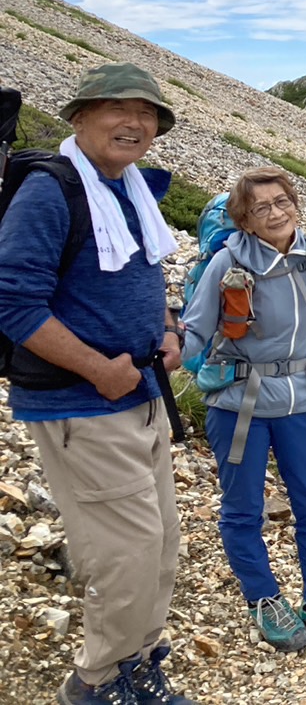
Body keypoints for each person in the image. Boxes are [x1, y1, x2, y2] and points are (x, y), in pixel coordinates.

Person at [0, 62, 198, 705]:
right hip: (82, 403)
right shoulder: (51, 191)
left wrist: (166, 329)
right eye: (119, 109)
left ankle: (137, 662)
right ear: (80, 116)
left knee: (160, 544)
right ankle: (97, 682)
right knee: (127, 553)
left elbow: (146, 275)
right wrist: (96, 368)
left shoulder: (129, 190)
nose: (135, 123)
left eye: (148, 115)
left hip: (139, 394)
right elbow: (12, 300)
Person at [180, 166, 306, 652]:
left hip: (302, 399)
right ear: (243, 219)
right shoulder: (227, 263)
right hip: (238, 402)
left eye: (282, 201)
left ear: (295, 203)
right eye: (260, 207)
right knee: (244, 510)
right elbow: (194, 332)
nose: (274, 213)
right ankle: (263, 599)